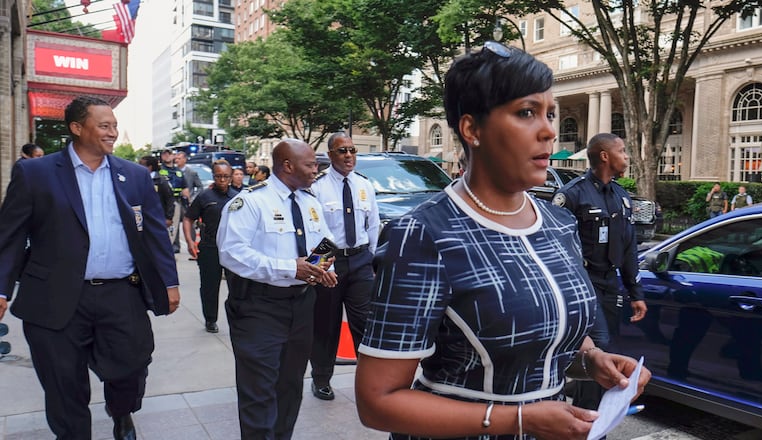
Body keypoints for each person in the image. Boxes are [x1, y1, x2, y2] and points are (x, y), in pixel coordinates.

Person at [354, 42, 650, 440]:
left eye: (550, 114)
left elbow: (547, 330)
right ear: (472, 129)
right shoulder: (424, 235)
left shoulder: (559, 222)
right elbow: (377, 401)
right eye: (526, 112)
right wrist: (519, 418)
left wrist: (592, 358)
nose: (548, 130)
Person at [0, 96, 180, 440]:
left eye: (114, 125)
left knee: (131, 367)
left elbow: (156, 233)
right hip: (54, 297)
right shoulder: (35, 173)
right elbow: (9, 236)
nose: (113, 133)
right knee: (63, 382)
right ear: (77, 128)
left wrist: (169, 282)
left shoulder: (136, 175)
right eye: (104, 126)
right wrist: (1, 288)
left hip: (120, 294)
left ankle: (122, 412)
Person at [217, 139, 339, 439]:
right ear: (288, 165)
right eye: (310, 165)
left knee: (290, 386)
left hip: (301, 306)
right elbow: (231, 253)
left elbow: (325, 242)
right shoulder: (251, 202)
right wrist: (290, 268)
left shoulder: (310, 202)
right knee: (258, 391)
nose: (316, 170)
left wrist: (319, 269)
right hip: (258, 308)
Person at [551, 133, 648, 418]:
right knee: (601, 350)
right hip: (583, 285)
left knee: (604, 354)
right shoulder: (571, 195)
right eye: (623, 151)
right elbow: (557, 250)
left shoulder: (621, 196)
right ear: (605, 156)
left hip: (609, 284)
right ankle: (589, 423)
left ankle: (587, 422)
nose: (627, 156)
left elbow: (629, 248)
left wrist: (635, 293)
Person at [309, 132, 379, 400]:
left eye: (352, 150)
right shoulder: (318, 187)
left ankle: (370, 382)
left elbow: (372, 225)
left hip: (360, 258)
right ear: (330, 155)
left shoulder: (364, 185)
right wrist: (321, 266)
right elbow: (315, 230)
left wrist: (372, 259)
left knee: (365, 322)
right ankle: (321, 379)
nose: (349, 155)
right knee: (326, 323)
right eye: (342, 151)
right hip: (329, 258)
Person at [183, 159, 239, 333]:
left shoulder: (239, 196)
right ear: (214, 176)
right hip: (210, 247)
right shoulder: (204, 196)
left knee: (238, 287)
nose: (222, 180)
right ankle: (210, 319)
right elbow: (188, 218)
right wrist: (190, 241)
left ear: (231, 177)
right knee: (209, 286)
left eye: (226, 176)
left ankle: (237, 319)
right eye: (218, 176)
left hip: (234, 248)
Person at [160, 149, 186, 253]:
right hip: (162, 201)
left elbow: (184, 187)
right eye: (165, 154)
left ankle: (175, 245)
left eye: (169, 154)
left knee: (175, 224)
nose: (167, 156)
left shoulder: (178, 171)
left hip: (176, 200)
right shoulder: (159, 170)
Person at [139, 155, 176, 229]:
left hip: (159, 217)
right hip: (144, 217)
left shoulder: (161, 181)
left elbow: (170, 199)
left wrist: (169, 217)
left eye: (141, 165)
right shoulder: (139, 180)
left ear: (149, 167)